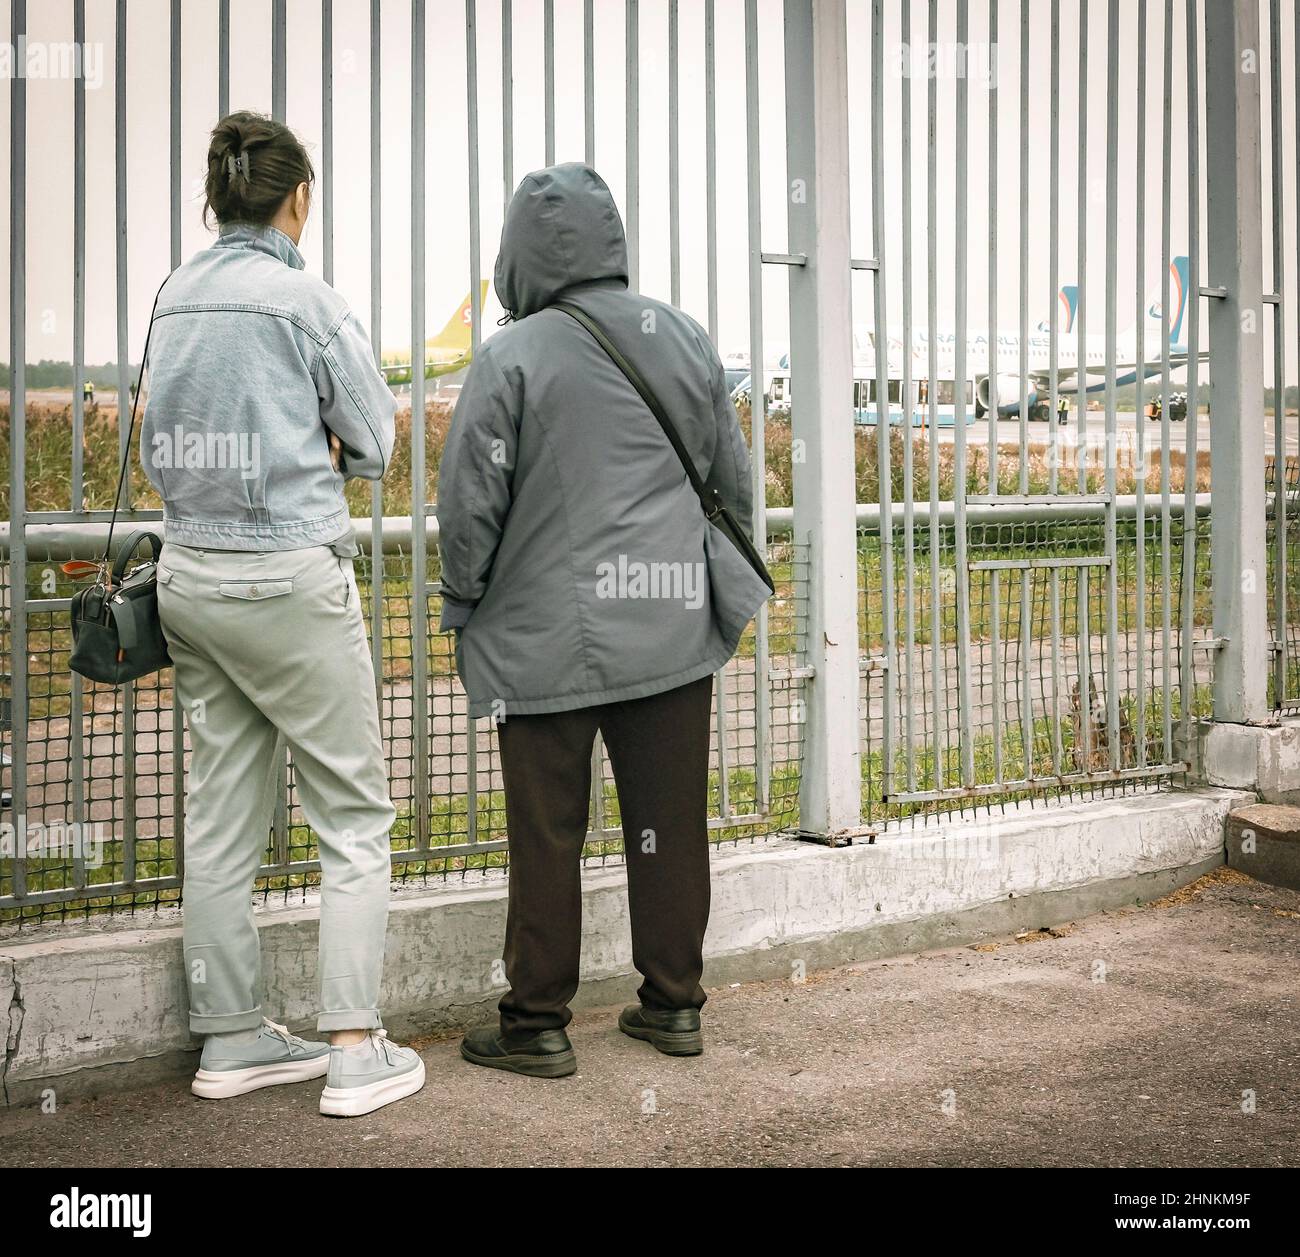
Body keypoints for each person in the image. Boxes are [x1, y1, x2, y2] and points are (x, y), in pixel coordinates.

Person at [437, 162, 769, 1078]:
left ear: (520, 252)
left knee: (547, 830)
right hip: (668, 630)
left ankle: (536, 1023)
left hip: (541, 643)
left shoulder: (510, 356)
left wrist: (464, 597)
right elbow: (731, 482)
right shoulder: (683, 336)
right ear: (611, 239)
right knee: (669, 821)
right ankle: (672, 1006)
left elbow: (469, 503)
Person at [141, 111, 423, 1117]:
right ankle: (353, 1048)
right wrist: (318, 449)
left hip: (190, 580)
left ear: (216, 198)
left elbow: (158, 447)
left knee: (220, 819)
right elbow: (378, 442)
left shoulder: (172, 297)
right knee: (351, 816)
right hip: (289, 582)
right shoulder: (305, 299)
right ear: (297, 198)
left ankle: (229, 1039)